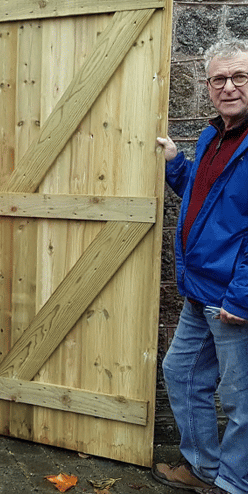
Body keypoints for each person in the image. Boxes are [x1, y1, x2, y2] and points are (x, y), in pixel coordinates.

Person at [153, 39, 248, 494]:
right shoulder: (214, 135)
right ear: (208, 86)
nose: (228, 87)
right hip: (201, 292)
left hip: (233, 297)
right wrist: (176, 163)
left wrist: (242, 296)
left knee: (239, 400)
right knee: (182, 373)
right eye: (219, 79)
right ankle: (202, 468)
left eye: (240, 77)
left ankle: (234, 482)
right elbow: (205, 194)